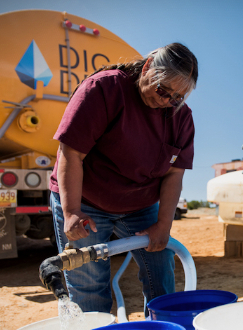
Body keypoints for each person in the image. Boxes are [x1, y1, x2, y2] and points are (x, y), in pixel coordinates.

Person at [48, 43, 198, 314]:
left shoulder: (181, 118)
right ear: (148, 66)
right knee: (89, 284)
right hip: (86, 201)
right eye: (163, 90)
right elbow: (71, 154)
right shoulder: (104, 90)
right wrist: (71, 212)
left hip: (140, 205)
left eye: (177, 97)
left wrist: (163, 225)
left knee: (161, 273)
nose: (166, 101)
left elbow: (174, 174)